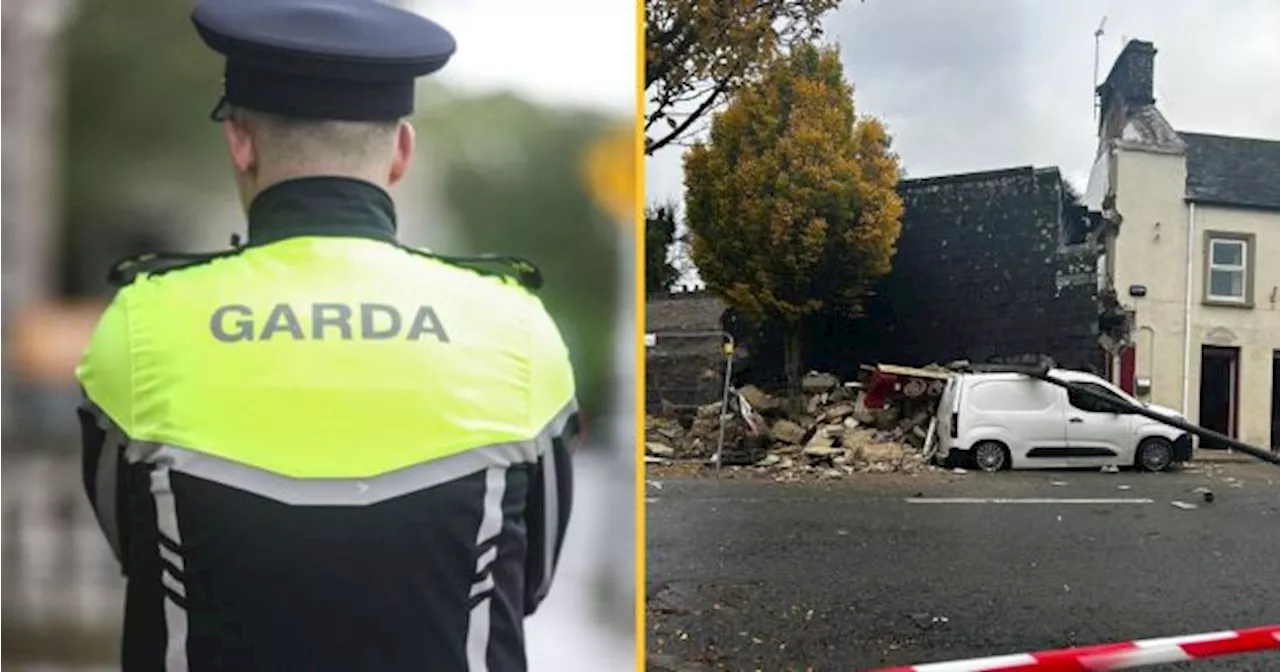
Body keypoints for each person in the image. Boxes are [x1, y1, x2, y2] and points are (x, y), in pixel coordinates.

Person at [74, 1, 579, 670]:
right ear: (401, 152)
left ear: (241, 142)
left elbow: (130, 549)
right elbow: (529, 582)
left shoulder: (139, 324)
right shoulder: (517, 327)